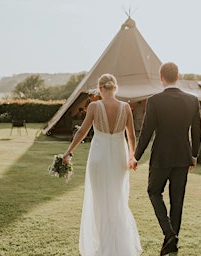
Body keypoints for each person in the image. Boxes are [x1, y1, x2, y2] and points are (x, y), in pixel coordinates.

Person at [62, 74, 142, 256]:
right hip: (119, 158)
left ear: (101, 89)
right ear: (115, 88)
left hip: (99, 157)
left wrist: (69, 152)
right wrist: (132, 156)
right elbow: (131, 136)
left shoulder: (94, 106)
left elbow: (82, 131)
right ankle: (119, 246)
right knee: (117, 200)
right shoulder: (126, 108)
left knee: (99, 201)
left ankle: (103, 246)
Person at [131, 62, 201, 256]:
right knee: (177, 200)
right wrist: (194, 155)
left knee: (154, 192)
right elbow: (197, 132)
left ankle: (169, 234)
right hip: (182, 157)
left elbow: (146, 132)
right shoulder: (192, 100)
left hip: (161, 157)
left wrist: (136, 156)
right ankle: (172, 240)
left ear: (161, 78)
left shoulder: (154, 101)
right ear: (178, 77)